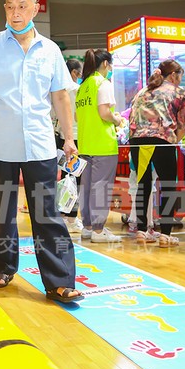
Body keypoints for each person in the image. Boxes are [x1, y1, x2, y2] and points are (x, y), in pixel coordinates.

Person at [0, 0, 83, 303]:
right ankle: (4, 267)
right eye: (10, 6)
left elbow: (60, 97)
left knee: (47, 214)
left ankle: (59, 281)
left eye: (22, 6)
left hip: (40, 145)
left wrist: (69, 138)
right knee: (3, 212)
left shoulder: (50, 50)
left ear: (35, 8)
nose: (15, 12)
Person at [128, 59, 185, 247]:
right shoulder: (178, 92)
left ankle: (141, 231)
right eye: (179, 77)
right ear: (173, 75)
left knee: (143, 184)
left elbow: (132, 117)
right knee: (168, 185)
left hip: (137, 141)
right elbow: (183, 124)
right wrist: (174, 139)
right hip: (162, 140)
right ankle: (165, 234)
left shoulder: (142, 91)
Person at [74, 49, 124, 243]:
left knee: (87, 188)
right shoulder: (103, 83)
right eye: (110, 65)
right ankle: (98, 229)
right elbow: (104, 112)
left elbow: (77, 116)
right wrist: (117, 119)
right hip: (103, 143)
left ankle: (88, 227)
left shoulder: (83, 86)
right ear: (105, 64)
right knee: (101, 187)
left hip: (86, 144)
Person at [54, 58, 83, 233]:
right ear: (74, 72)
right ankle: (71, 218)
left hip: (60, 137)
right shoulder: (77, 90)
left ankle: (64, 215)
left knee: (65, 178)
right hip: (75, 138)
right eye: (79, 72)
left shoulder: (57, 89)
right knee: (75, 180)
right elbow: (80, 116)